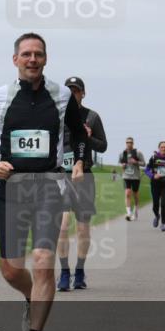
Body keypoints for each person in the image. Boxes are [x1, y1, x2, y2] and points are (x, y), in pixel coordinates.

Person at [0, 33, 87, 331]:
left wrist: (79, 160)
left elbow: (79, 135)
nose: (32, 59)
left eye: (38, 54)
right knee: (11, 270)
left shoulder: (63, 96)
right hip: (11, 189)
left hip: (49, 187)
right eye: (26, 54)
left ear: (46, 59)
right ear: (15, 60)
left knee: (42, 262)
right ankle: (30, 298)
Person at [57, 76, 107, 292]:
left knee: (83, 229)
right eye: (69, 90)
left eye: (76, 90)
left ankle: (79, 271)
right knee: (61, 227)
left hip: (84, 176)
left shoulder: (92, 117)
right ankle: (64, 273)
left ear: (83, 93)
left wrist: (89, 138)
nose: (72, 93)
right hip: (62, 176)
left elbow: (103, 146)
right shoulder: (57, 116)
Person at [145, 141, 165, 232]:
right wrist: (152, 176)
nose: (163, 149)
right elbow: (147, 170)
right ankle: (157, 216)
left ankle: (163, 224)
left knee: (163, 204)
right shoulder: (154, 158)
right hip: (155, 184)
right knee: (155, 205)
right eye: (162, 147)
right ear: (159, 148)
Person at [119, 137, 146, 220]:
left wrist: (136, 162)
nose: (129, 144)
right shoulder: (122, 153)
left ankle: (136, 210)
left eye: (130, 142)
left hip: (135, 177)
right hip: (126, 176)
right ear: (125, 143)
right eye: (127, 142)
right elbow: (121, 163)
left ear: (133, 143)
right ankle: (128, 213)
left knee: (135, 194)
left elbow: (144, 164)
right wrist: (122, 166)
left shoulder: (138, 153)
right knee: (127, 193)